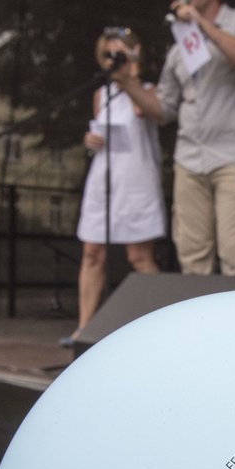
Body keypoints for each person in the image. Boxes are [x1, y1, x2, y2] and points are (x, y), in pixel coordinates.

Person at [113, 0, 235, 282]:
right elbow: (163, 109)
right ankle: (202, 334)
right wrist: (125, 81)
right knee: (192, 262)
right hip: (189, 161)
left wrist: (201, 23)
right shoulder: (178, 50)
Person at [65, 27, 164, 347]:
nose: (113, 60)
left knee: (138, 255)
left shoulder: (148, 88)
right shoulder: (101, 95)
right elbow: (102, 130)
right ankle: (84, 328)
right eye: (109, 54)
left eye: (119, 53)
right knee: (92, 252)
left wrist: (129, 75)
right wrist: (90, 140)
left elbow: (144, 110)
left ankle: (164, 323)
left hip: (136, 179)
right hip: (105, 177)